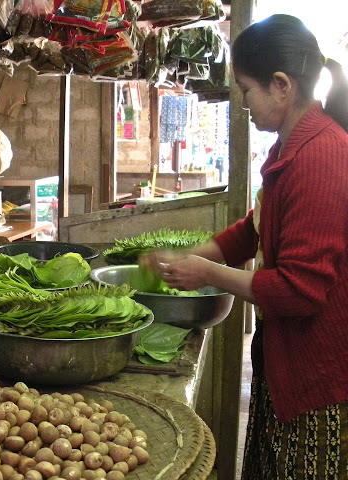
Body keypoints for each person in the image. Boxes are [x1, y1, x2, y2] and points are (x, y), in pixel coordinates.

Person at [140, 14, 348, 479]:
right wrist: (191, 254)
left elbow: (300, 290)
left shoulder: (323, 157)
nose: (243, 104)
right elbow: (254, 229)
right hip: (285, 365)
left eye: (245, 90)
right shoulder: (289, 146)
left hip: (319, 380)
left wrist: (209, 275)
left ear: (280, 85)